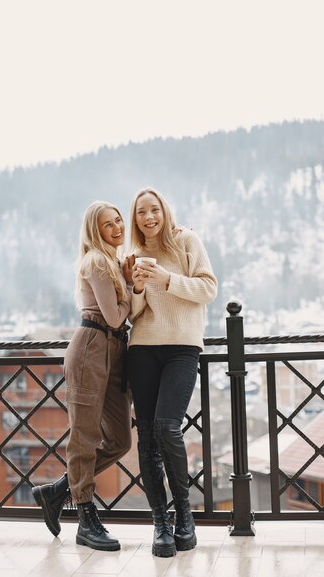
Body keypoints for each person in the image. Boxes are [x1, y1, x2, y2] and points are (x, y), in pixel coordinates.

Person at [32, 201, 132, 552]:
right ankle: (85, 519)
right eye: (108, 224)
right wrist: (134, 288)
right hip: (92, 345)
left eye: (119, 220)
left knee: (120, 441)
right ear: (95, 231)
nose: (117, 227)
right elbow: (115, 315)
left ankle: (58, 490)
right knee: (84, 436)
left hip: (115, 351)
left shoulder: (117, 262)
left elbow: (120, 320)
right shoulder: (97, 262)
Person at [126, 187, 217, 558]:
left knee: (167, 426)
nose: (148, 217)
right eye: (141, 213)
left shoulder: (187, 241)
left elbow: (208, 288)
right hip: (142, 347)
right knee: (146, 437)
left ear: (164, 211)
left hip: (182, 346)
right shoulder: (133, 255)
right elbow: (133, 313)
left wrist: (167, 280)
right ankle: (160, 524)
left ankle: (185, 516)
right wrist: (135, 286)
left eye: (154, 210)